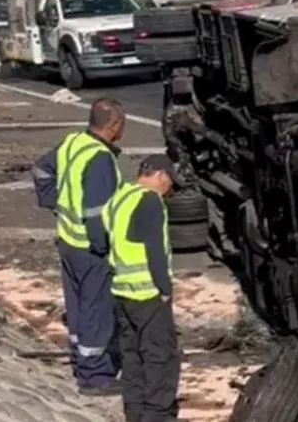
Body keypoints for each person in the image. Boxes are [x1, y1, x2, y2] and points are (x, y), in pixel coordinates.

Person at [32, 99, 127, 395]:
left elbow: (40, 169)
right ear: (114, 126)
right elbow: (97, 211)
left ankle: (80, 360)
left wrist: (54, 201)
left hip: (68, 242)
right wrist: (104, 248)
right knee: (95, 311)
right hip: (89, 248)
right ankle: (95, 376)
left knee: (77, 308)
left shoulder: (73, 143)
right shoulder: (99, 159)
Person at [104, 155, 180, 422]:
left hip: (122, 291)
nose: (169, 189)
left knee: (132, 357)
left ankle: (134, 412)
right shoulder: (150, 202)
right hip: (147, 293)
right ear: (160, 175)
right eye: (169, 182)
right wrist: (165, 288)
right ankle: (158, 415)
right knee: (161, 358)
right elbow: (154, 250)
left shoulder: (120, 198)